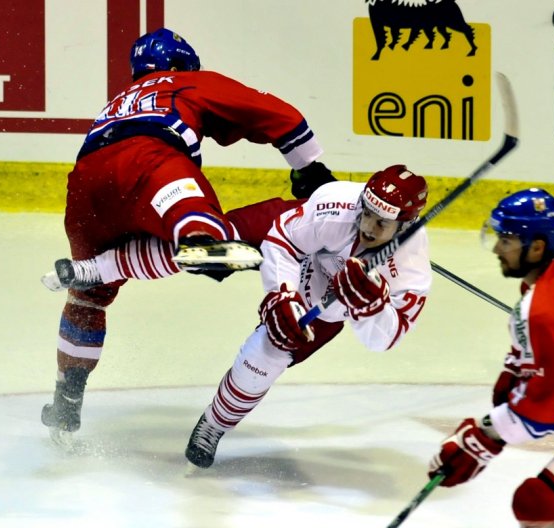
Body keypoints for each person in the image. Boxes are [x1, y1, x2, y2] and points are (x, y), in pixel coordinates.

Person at [40, 26, 335, 441]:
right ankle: (214, 244)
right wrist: (309, 168)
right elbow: (274, 112)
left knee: (90, 296)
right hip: (149, 163)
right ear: (178, 65)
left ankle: (66, 400)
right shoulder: (185, 81)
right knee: (196, 227)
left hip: (84, 190)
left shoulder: (118, 103)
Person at [183, 164, 432, 469]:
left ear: (404, 226)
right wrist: (281, 294)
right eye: (366, 213)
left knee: (265, 353)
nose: (368, 227)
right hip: (304, 239)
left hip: (326, 295)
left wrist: (371, 307)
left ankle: (215, 423)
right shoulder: (336, 203)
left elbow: (385, 339)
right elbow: (283, 241)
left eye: (381, 223)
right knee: (201, 245)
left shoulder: (411, 269)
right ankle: (115, 264)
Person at [428, 188, 554, 527]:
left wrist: (482, 437)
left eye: (508, 241)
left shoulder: (547, 309)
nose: (498, 248)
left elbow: (545, 414)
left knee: (538, 504)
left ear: (538, 247)